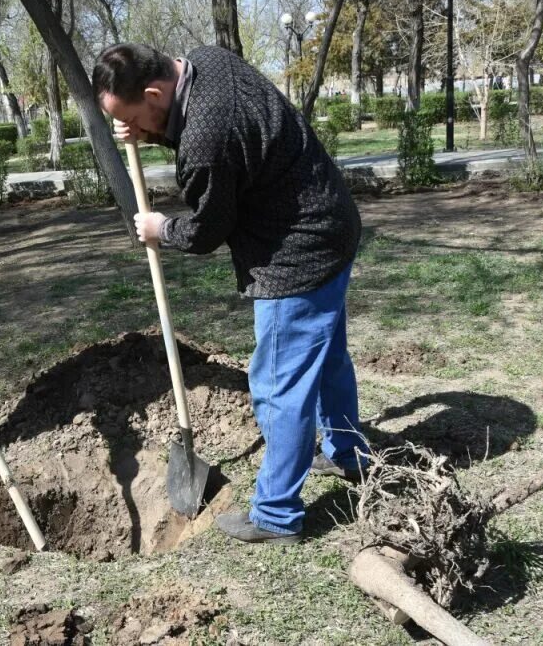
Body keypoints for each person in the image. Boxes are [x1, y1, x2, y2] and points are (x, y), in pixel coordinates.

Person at [93, 43, 367, 544]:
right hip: (332, 221)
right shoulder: (207, 60)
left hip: (296, 255)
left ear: (155, 92)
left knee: (279, 386)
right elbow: (215, 139)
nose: (135, 127)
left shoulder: (204, 140)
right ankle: (351, 455)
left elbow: (206, 231)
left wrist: (161, 228)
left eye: (133, 116)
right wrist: (147, 132)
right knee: (327, 359)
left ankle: (277, 515)